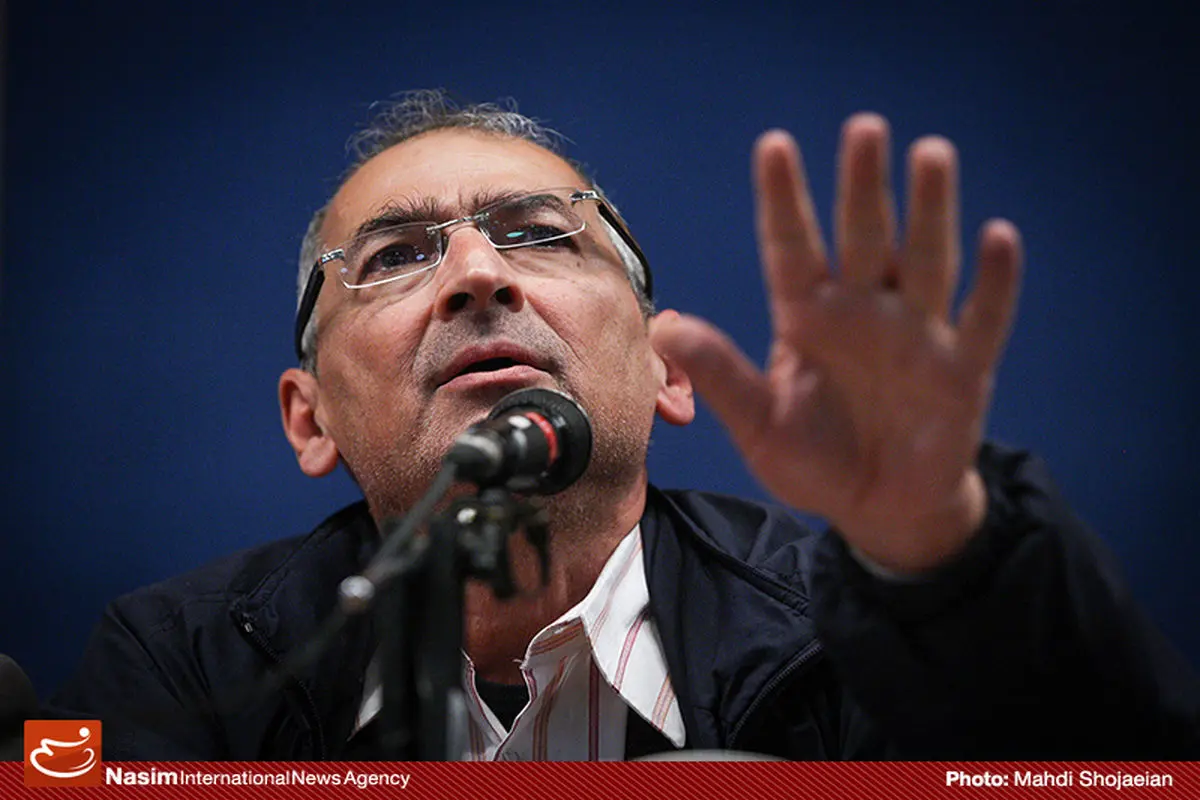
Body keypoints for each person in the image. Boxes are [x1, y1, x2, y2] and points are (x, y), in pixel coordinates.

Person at [52, 90, 1198, 760]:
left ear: (666, 370)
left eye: (540, 233)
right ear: (311, 420)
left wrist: (942, 547)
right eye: (397, 254)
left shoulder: (852, 640)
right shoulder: (178, 663)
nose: (477, 273)